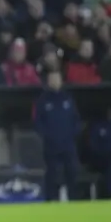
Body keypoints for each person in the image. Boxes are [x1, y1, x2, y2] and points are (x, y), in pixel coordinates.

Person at [34, 71, 81, 201]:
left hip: (68, 144)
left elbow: (76, 120)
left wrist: (72, 134)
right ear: (48, 82)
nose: (54, 82)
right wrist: (47, 136)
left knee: (72, 173)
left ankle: (74, 200)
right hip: (51, 145)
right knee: (52, 174)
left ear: (61, 81)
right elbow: (38, 122)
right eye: (52, 79)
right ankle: (51, 200)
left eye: (57, 79)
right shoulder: (42, 100)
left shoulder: (68, 98)